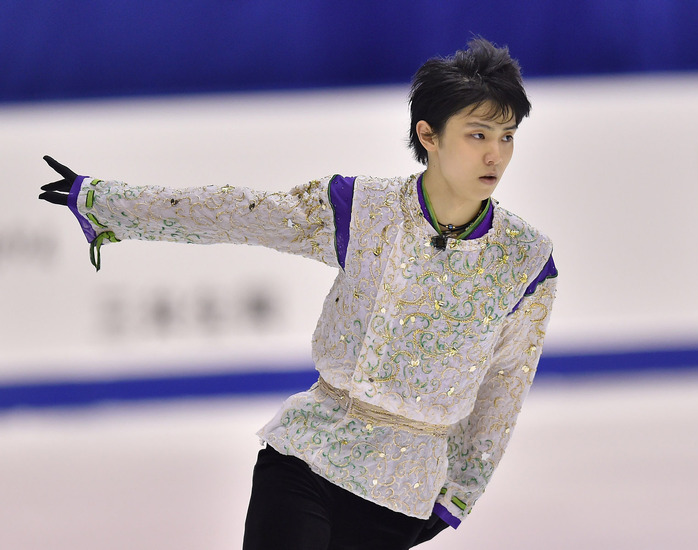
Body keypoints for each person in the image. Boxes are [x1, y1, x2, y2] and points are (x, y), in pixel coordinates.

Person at [39, 37, 558, 550]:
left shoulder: (526, 261)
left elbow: (505, 385)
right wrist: (109, 202)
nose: (495, 154)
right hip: (307, 456)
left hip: (401, 491)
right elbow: (238, 214)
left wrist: (458, 497)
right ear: (429, 135)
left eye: (507, 136)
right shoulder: (362, 208)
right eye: (478, 134)